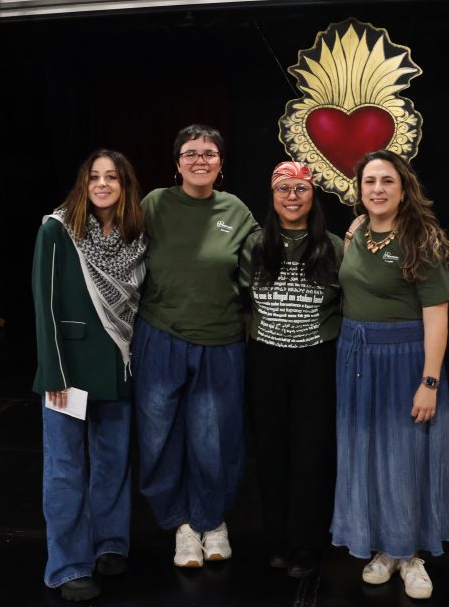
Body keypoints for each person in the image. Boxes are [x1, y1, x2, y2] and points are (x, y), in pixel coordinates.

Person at [331, 149, 449, 600]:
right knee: (365, 453)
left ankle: (410, 555)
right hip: (356, 357)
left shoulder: (422, 238)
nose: (378, 190)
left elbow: (437, 316)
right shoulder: (357, 232)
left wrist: (429, 381)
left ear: (404, 189)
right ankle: (382, 548)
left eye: (387, 181)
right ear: (359, 190)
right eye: (369, 182)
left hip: (405, 358)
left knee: (406, 457)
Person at [132, 124, 257, 568]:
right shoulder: (154, 204)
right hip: (160, 335)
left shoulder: (237, 211)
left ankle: (212, 519)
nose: (200, 160)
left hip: (219, 340)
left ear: (221, 164)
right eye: (190, 153)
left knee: (213, 440)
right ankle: (182, 524)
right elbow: (114, 244)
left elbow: (270, 259)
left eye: (209, 153)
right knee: (158, 436)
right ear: (177, 162)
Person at [31, 148, 146, 602]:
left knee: (114, 463)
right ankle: (68, 564)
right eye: (94, 177)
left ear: (123, 186)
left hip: (118, 367)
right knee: (64, 469)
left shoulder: (135, 236)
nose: (102, 184)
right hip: (69, 370)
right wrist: (54, 371)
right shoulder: (58, 231)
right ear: (83, 184)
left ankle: (110, 543)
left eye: (112, 177)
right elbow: (45, 304)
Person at [239, 161, 343, 578]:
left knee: (311, 452)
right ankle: (278, 539)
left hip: (315, 358)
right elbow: (244, 296)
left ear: (312, 194)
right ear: (272, 195)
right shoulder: (254, 244)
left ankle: (307, 542)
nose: (292, 197)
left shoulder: (333, 245)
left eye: (300, 189)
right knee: (271, 450)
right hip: (266, 358)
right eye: (284, 190)